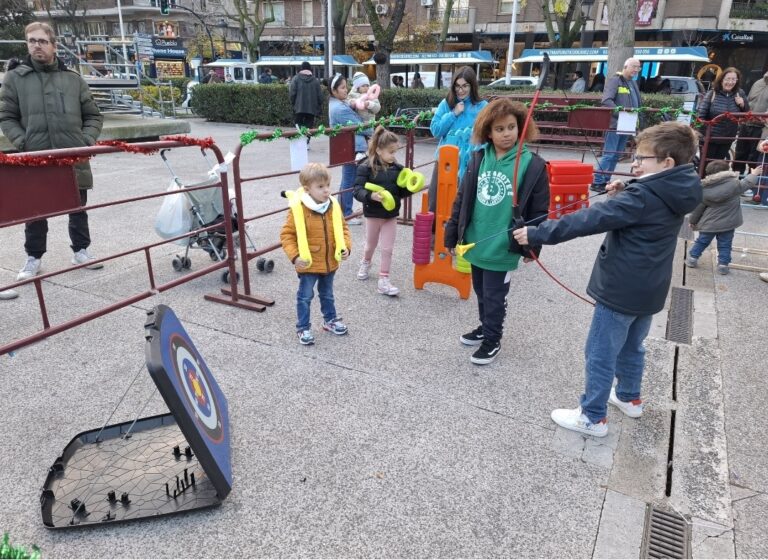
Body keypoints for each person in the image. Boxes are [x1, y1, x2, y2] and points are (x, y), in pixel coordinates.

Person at [512, 121, 702, 436]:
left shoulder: (641, 198)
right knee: (632, 346)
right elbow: (653, 203)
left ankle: (592, 416)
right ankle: (629, 397)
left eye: (643, 159)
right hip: (650, 289)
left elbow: (590, 219)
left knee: (600, 351)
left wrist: (536, 232)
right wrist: (628, 189)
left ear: (667, 162)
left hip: (621, 288)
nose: (636, 164)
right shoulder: (684, 185)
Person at [444, 98, 550, 366]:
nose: (506, 134)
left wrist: (533, 245)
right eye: (499, 129)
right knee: (481, 289)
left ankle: (493, 339)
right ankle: (485, 327)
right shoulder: (479, 158)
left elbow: (540, 210)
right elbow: (462, 198)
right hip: (476, 240)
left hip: (503, 245)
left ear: (521, 128)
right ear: (488, 132)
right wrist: (452, 234)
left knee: (494, 295)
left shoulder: (532, 165)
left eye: (512, 127)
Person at [0, 22, 104, 282]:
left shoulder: (72, 79)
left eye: (42, 41)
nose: (36, 45)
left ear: (53, 45)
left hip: (72, 155)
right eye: (32, 40)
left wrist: (85, 140)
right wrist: (23, 142)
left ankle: (81, 250)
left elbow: (93, 116)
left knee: (77, 206)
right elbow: (6, 116)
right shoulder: (15, 79)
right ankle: (34, 256)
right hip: (36, 157)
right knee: (36, 211)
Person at [280, 162, 352, 346]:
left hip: (329, 261)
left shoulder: (333, 206)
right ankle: (303, 327)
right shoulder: (299, 209)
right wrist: (295, 257)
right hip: (308, 263)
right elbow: (287, 235)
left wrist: (346, 247)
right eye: (320, 187)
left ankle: (330, 320)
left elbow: (343, 229)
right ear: (307, 189)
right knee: (305, 296)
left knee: (327, 294)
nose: (326, 190)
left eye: (328, 185)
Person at [353, 126, 423, 296]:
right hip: (373, 214)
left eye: (395, 152)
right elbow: (357, 190)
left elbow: (400, 193)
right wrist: (370, 196)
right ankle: (366, 261)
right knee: (370, 245)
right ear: (378, 150)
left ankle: (383, 280)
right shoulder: (365, 168)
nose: (394, 155)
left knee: (387, 248)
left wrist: (411, 188)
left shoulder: (398, 169)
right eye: (391, 152)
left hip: (390, 216)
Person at [428, 66, 488, 214]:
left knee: (464, 202)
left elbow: (487, 134)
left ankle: (459, 235)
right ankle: (433, 235)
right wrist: (453, 113)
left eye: (465, 86)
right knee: (436, 200)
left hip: (470, 161)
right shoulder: (447, 103)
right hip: (445, 160)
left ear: (472, 86)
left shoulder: (482, 107)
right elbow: (435, 130)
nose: (460, 90)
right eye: (457, 86)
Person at [686, 160, 760, 275]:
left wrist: (692, 221)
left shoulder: (704, 188)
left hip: (710, 223)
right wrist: (754, 174)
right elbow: (747, 183)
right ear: (727, 171)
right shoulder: (735, 184)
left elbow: (698, 209)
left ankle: (692, 259)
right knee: (725, 244)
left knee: (702, 241)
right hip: (729, 223)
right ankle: (723, 265)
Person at [589, 58, 643, 193]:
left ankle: (605, 180)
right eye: (634, 67)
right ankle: (598, 181)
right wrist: (621, 112)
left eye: (638, 67)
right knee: (610, 154)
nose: (636, 70)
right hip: (616, 123)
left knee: (616, 154)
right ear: (625, 66)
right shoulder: (616, 80)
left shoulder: (632, 83)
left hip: (627, 122)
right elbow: (606, 100)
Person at [328, 73, 370, 225]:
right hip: (350, 146)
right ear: (334, 90)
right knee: (349, 179)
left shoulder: (339, 103)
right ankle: (346, 214)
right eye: (342, 87)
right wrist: (374, 130)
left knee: (348, 178)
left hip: (348, 146)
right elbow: (360, 125)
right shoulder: (339, 108)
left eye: (346, 87)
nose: (346, 90)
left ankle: (344, 211)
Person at [696, 67, 748, 163]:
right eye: (728, 79)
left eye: (734, 79)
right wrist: (709, 131)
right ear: (722, 79)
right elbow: (700, 117)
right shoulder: (712, 93)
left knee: (718, 165)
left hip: (727, 139)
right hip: (710, 139)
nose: (730, 82)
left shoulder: (740, 93)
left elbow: (747, 115)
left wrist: (742, 104)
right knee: (705, 164)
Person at [733, 70, 768, 174]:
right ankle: (737, 180)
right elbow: (748, 101)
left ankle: (751, 184)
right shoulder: (758, 83)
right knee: (739, 154)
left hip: (761, 127)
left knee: (754, 158)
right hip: (746, 123)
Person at [289, 61, 323, 146]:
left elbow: (292, 93)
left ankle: (300, 141)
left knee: (298, 124)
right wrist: (318, 105)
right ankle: (306, 142)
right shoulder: (315, 80)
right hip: (311, 108)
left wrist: (294, 103)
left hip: (299, 107)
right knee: (309, 126)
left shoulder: (296, 79)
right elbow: (320, 96)